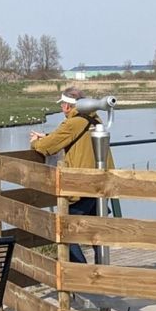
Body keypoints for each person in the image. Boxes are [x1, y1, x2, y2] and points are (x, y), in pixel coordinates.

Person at [30, 87, 105, 265]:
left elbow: (48, 147)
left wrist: (36, 143)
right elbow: (69, 137)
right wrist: (47, 136)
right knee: (96, 230)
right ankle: (101, 267)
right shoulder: (95, 119)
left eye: (62, 104)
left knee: (63, 227)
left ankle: (80, 270)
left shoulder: (73, 122)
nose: (61, 108)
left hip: (81, 184)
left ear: (67, 106)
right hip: (99, 182)